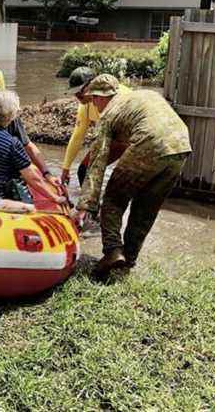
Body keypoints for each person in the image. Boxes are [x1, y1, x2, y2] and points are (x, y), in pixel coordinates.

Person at [72, 75, 192, 280]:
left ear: (101, 97)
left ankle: (112, 251)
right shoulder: (143, 95)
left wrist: (85, 205)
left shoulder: (108, 114)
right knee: (146, 207)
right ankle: (129, 259)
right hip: (181, 145)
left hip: (149, 142)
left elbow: (97, 164)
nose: (93, 104)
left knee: (113, 199)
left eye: (93, 99)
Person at [0, 90, 65, 205]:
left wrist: (46, 173)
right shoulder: (11, 143)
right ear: (11, 116)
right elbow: (32, 177)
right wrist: (55, 198)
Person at [61, 67, 131, 187]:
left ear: (92, 85)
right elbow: (77, 137)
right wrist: (66, 168)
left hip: (134, 138)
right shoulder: (85, 106)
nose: (77, 96)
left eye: (80, 91)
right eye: (75, 92)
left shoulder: (121, 96)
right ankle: (89, 204)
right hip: (116, 138)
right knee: (84, 170)